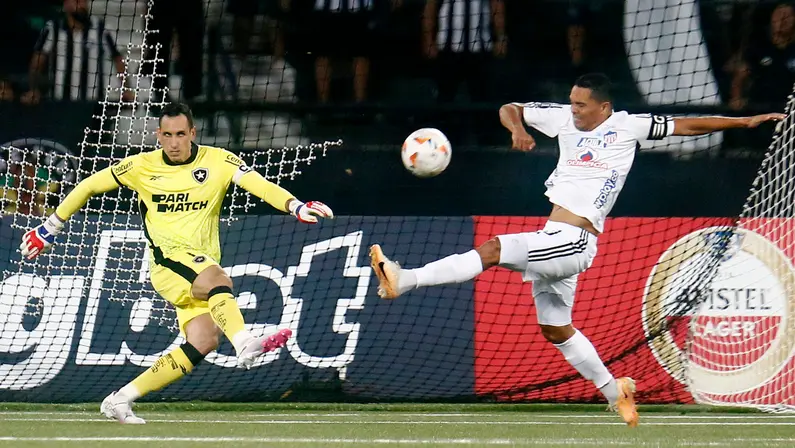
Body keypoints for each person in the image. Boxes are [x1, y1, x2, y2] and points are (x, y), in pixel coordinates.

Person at [369, 73, 785, 427]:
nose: (573, 111)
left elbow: (689, 124)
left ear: (604, 107)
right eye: (571, 103)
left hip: (575, 241)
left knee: (494, 249)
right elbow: (510, 107)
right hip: (556, 235)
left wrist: (744, 121)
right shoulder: (562, 118)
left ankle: (406, 280)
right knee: (555, 328)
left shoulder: (629, 126)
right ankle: (614, 391)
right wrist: (517, 129)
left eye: (582, 105)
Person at [19, 103, 334, 424]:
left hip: (196, 266)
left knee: (204, 340)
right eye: (167, 135)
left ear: (192, 133)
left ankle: (119, 399)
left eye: (180, 134)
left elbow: (259, 185)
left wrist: (294, 205)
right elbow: (88, 186)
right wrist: (49, 228)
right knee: (218, 280)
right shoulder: (140, 166)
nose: (173, 142)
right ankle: (244, 342)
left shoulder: (220, 160)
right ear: (158, 135)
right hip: (168, 263)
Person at [21, 0, 133, 104]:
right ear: (66, 5)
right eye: (77, 1)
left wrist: (126, 89)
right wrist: (34, 89)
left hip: (92, 103)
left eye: (84, 1)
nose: (82, 5)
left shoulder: (101, 28)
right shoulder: (53, 28)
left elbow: (118, 60)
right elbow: (38, 61)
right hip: (59, 102)